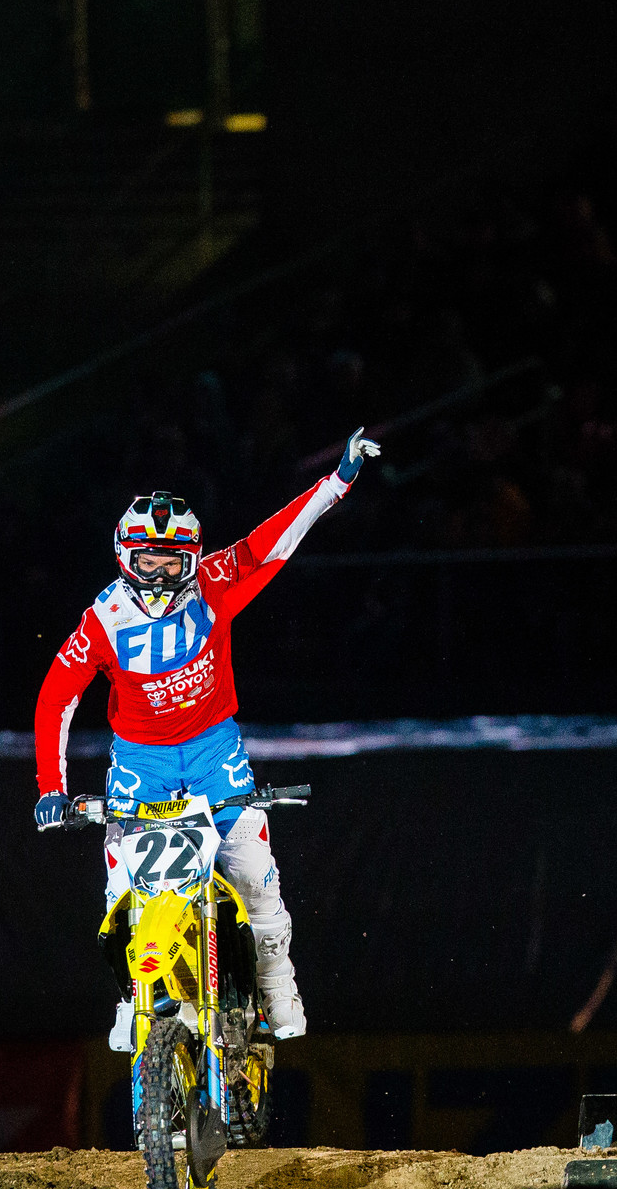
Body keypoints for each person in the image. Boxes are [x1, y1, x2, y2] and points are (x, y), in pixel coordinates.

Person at [31, 428, 383, 1045]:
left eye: (174, 561)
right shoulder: (103, 619)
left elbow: (273, 542)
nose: (163, 574)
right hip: (140, 765)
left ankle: (277, 984)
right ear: (124, 557)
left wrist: (338, 481)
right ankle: (133, 1001)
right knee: (125, 893)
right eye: (149, 561)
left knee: (253, 872)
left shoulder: (216, 583)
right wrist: (52, 788)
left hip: (216, 752)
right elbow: (57, 695)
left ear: (194, 559)